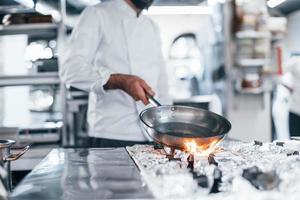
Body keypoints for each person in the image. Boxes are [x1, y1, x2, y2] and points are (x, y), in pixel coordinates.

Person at [60, 0, 171, 147]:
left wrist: (168, 126)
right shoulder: (97, 14)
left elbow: (162, 81)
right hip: (111, 135)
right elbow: (71, 68)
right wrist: (120, 81)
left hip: (153, 136)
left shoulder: (151, 26)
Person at [283, 54, 300, 137]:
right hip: (295, 110)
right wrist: (287, 86)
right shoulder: (295, 61)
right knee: (294, 143)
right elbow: (277, 73)